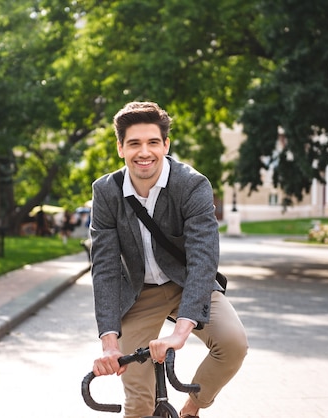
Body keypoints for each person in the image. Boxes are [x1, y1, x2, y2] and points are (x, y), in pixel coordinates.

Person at [89, 101, 248, 418]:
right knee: (139, 404)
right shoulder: (106, 192)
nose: (143, 152)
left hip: (187, 284)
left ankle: (193, 408)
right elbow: (105, 268)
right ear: (121, 148)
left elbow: (204, 259)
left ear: (166, 145)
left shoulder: (192, 185)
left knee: (232, 344)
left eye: (152, 142)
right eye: (134, 143)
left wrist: (180, 333)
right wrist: (109, 343)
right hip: (138, 294)